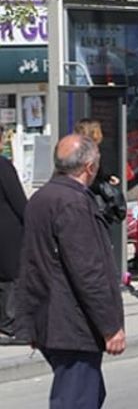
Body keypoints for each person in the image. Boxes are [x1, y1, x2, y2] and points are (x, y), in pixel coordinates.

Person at [15, 134, 125, 408]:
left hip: (51, 318)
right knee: (77, 399)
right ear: (90, 167)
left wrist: (32, 323)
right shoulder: (73, 203)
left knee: (87, 393)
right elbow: (88, 271)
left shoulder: (42, 198)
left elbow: (31, 263)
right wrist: (111, 327)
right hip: (72, 322)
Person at [73, 119, 125, 224]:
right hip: (92, 202)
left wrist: (107, 177)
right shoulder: (92, 153)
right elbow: (92, 178)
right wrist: (104, 184)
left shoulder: (73, 151)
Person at [0, 147, 26, 345]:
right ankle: (11, 325)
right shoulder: (3, 165)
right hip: (7, 229)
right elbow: (18, 200)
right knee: (12, 274)